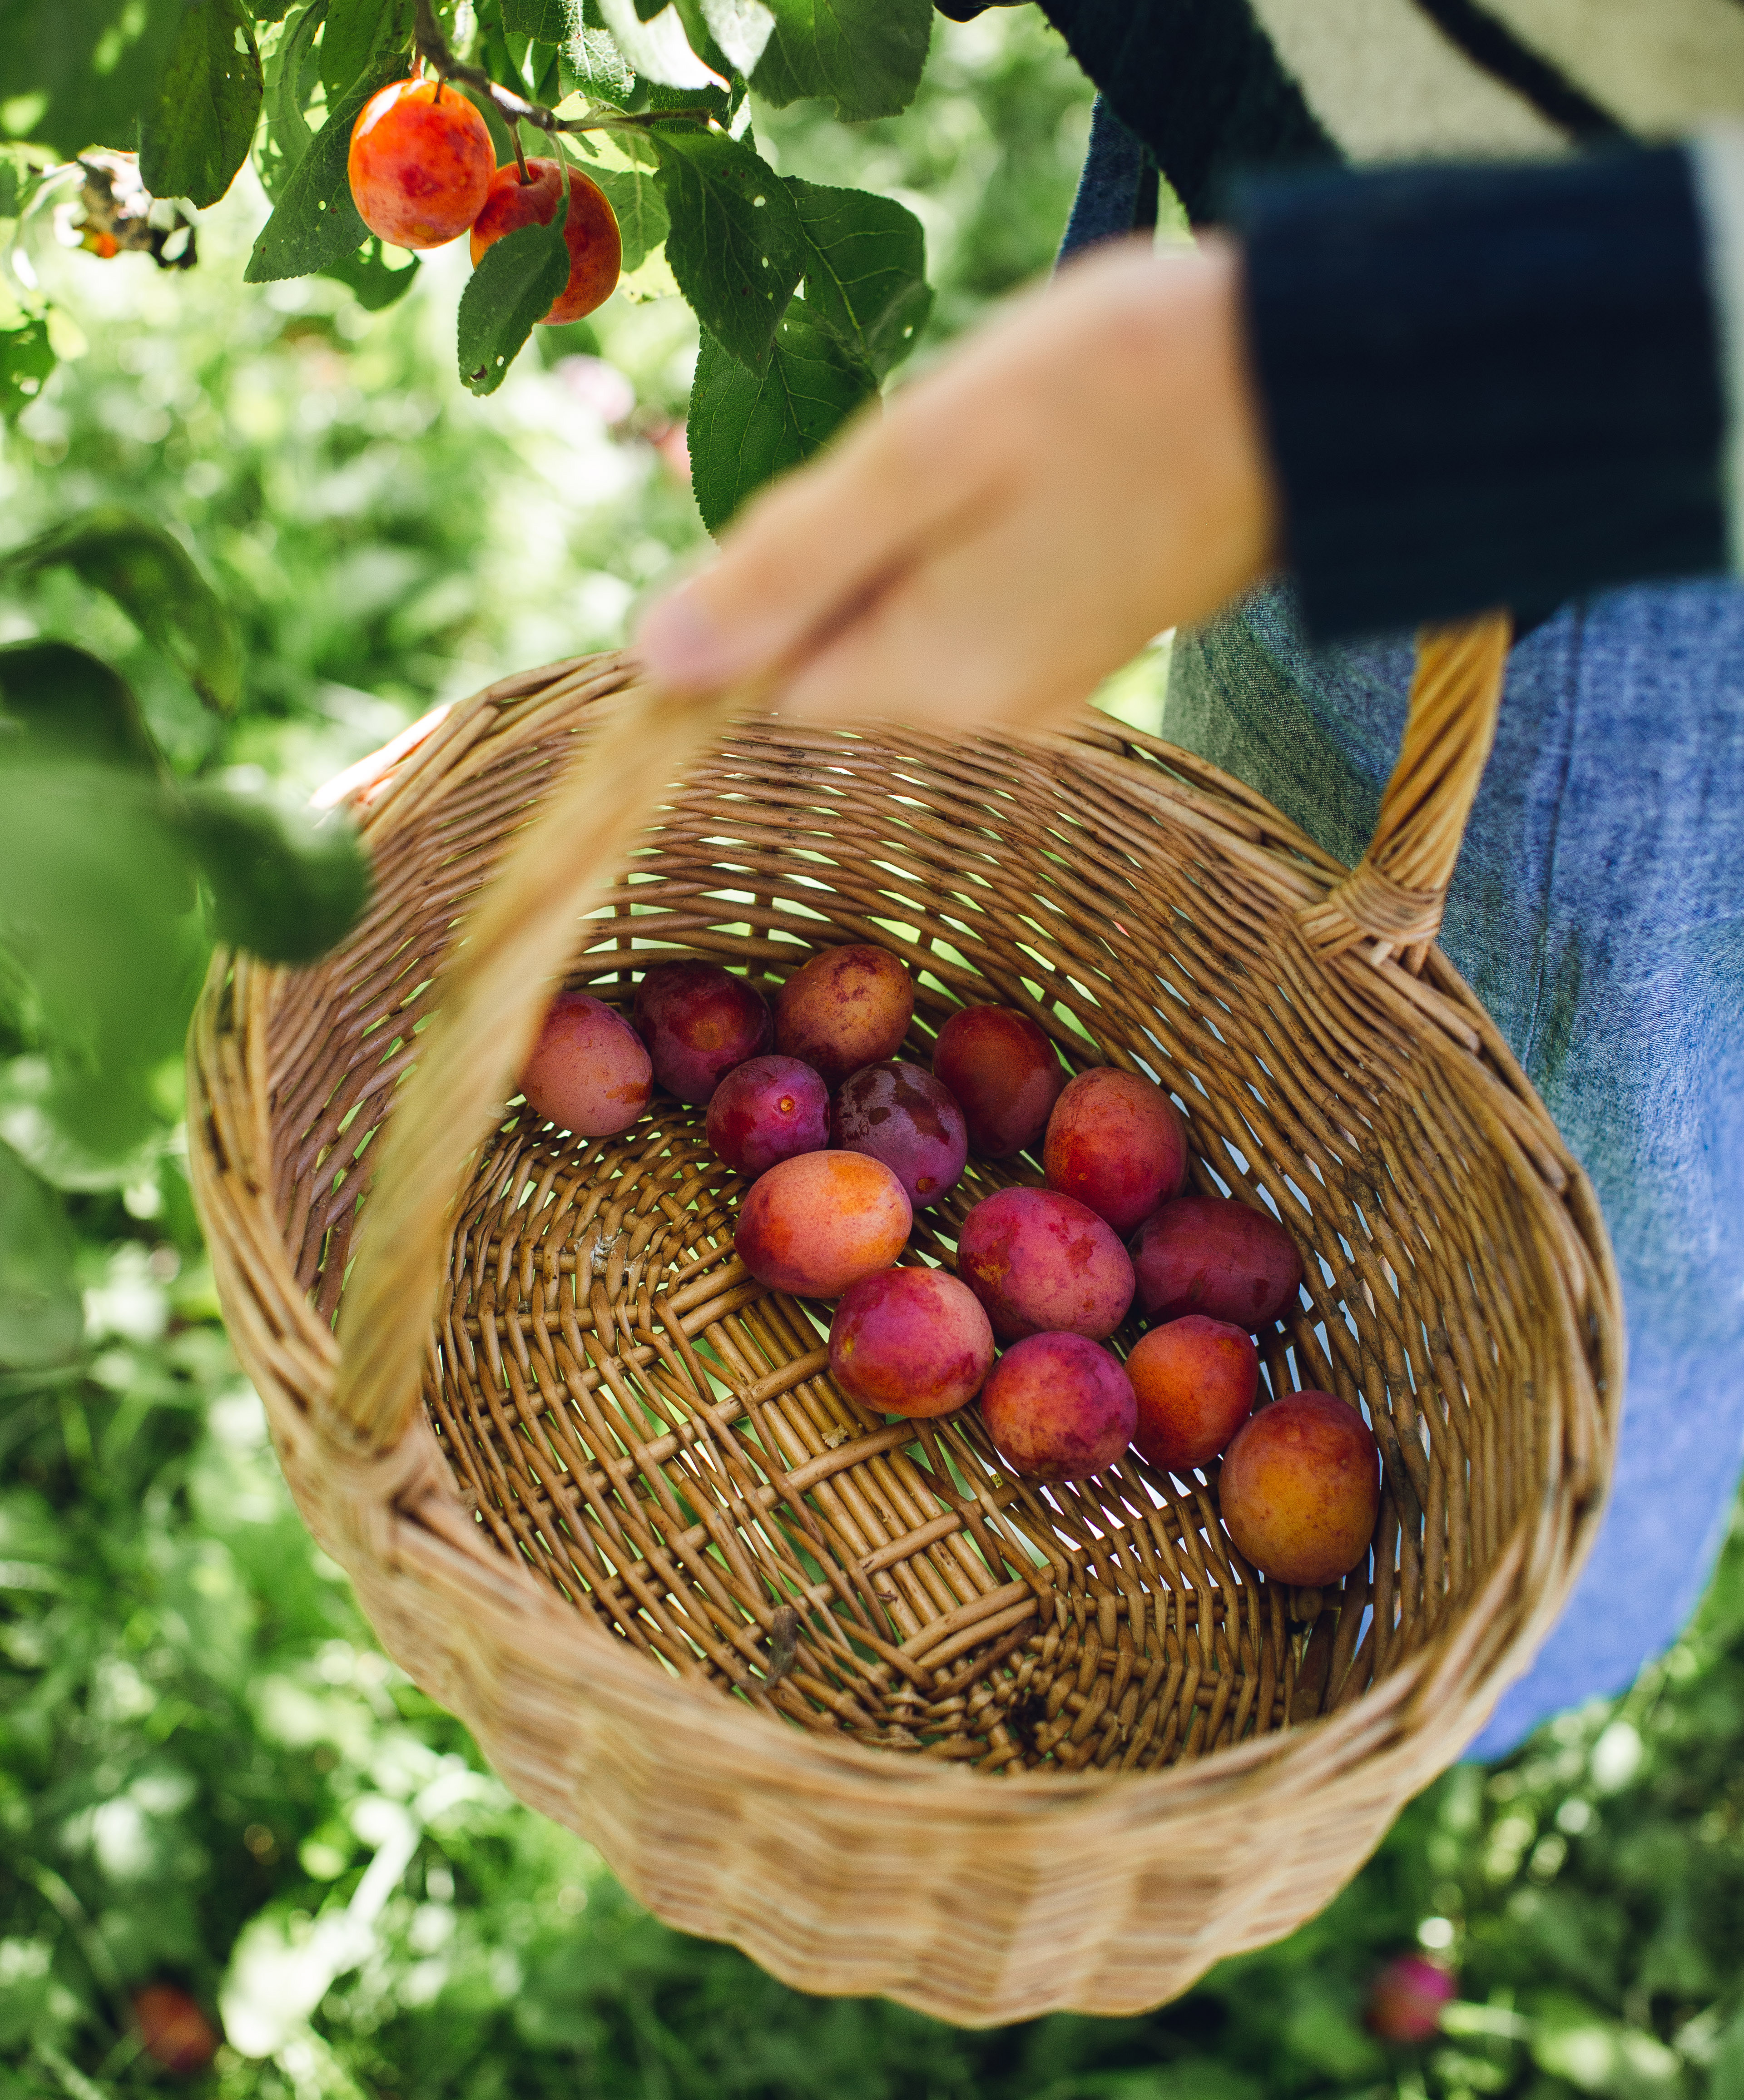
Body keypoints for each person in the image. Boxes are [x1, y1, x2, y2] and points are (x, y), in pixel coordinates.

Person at [635, 1, 1744, 1757]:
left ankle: (1481, 1650)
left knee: (1616, 1185)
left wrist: (1529, 316)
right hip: (1383, 161)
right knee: (1277, 922)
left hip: (1641, 459)